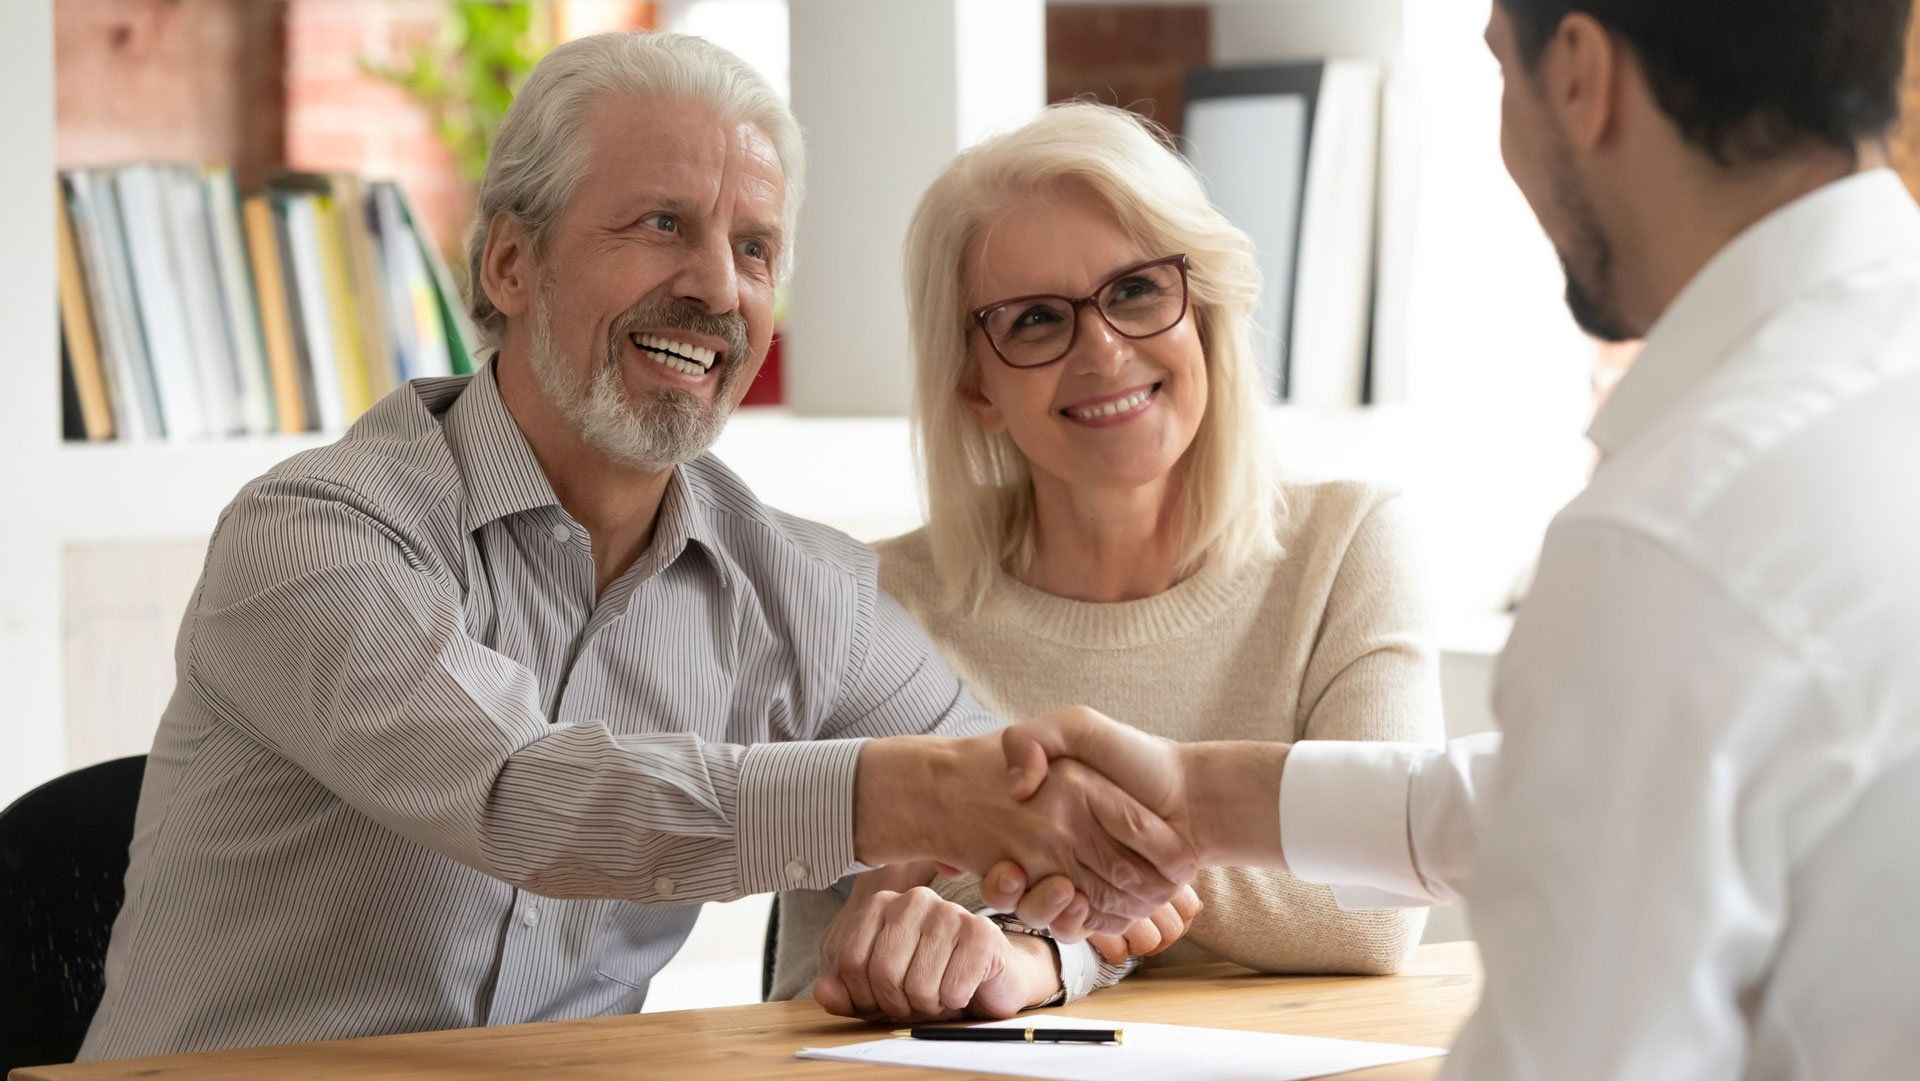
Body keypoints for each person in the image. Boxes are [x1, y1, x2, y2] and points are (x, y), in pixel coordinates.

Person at [77, 32, 1194, 1060]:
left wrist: (1030, 947)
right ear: (510, 265)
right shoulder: (313, 534)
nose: (716, 287)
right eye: (661, 223)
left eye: (754, 248)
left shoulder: (806, 594)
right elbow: (522, 791)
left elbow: (1070, 853)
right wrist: (922, 795)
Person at [991, 0, 1920, 1077]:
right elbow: (1596, 784)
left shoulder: (1674, 536)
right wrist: (1197, 800)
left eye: (1495, 73)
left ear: (1578, 74)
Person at [769, 103, 1442, 1021]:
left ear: (1202, 308)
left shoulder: (1349, 545)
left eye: (1135, 291)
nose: (1104, 351)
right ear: (975, 383)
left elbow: (1374, 906)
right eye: (1038, 320)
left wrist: (1048, 910)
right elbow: (819, 975)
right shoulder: (867, 606)